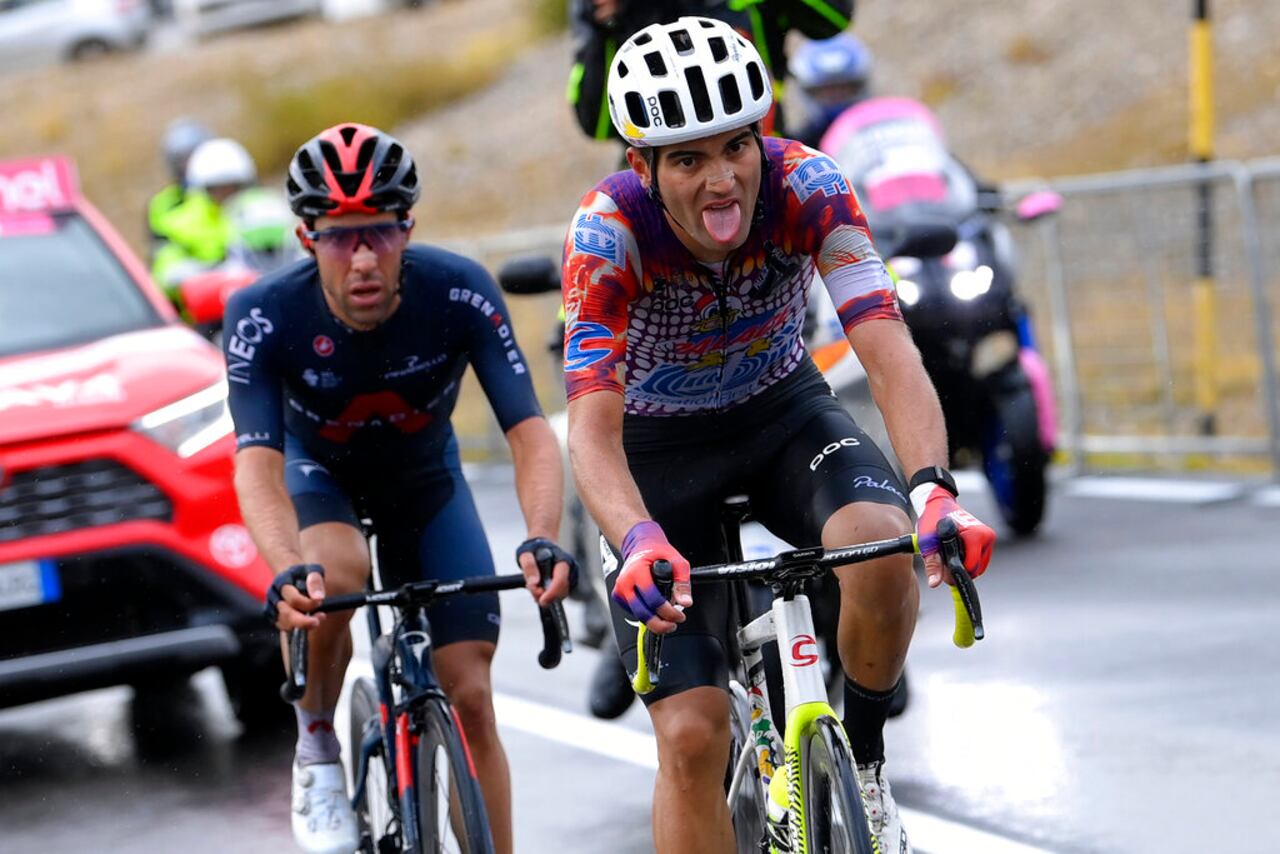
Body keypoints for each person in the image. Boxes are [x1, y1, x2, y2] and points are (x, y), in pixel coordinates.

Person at [561, 18, 995, 854]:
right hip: (656, 453)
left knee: (880, 542)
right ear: (641, 166)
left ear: (764, 138)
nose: (722, 180)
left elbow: (886, 346)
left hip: (781, 415)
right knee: (690, 736)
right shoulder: (607, 231)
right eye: (688, 159)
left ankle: (865, 766)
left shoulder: (810, 185)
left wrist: (934, 486)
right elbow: (591, 424)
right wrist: (636, 536)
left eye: (735, 148)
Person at [224, 122, 575, 854]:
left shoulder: (459, 291)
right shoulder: (263, 314)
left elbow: (529, 430)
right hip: (319, 480)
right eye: (340, 236)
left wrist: (542, 531)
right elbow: (256, 462)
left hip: (425, 480)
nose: (362, 258)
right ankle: (318, 741)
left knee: (471, 695)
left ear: (408, 228)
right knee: (333, 576)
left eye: (380, 233)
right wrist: (284, 562)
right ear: (305, 237)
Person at [567, 0, 854, 144]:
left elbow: (833, 18)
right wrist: (607, 27)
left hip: (764, 154)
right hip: (664, 184)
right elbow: (597, 125)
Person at [152, 137, 259, 305]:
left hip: (263, 298)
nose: (226, 194)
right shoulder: (181, 222)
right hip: (211, 312)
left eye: (232, 186)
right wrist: (215, 274)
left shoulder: (261, 210)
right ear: (204, 189)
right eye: (218, 189)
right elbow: (167, 271)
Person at [790, 31, 874, 148]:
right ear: (810, 92)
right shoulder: (798, 147)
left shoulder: (881, 131)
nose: (837, 97)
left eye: (844, 88)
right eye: (827, 90)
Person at [149, 117, 213, 252]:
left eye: (195, 157)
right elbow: (160, 252)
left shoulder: (228, 190)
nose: (190, 166)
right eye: (183, 160)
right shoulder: (164, 205)